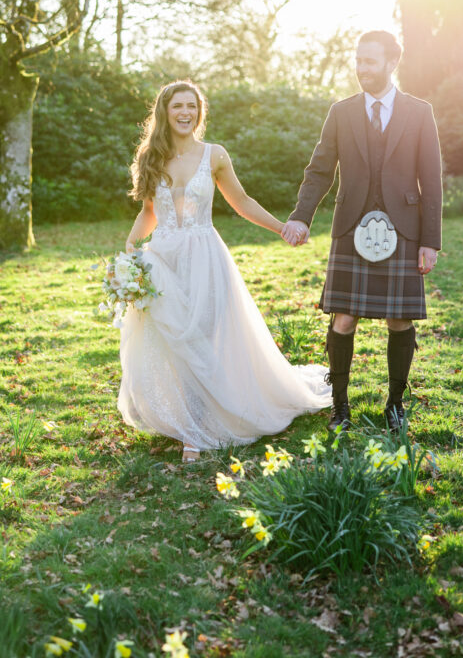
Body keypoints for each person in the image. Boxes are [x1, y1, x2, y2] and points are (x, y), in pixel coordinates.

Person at [118, 79, 331, 462]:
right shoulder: (151, 156)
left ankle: (195, 432)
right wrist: (130, 249)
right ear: (165, 112)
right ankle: (187, 422)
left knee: (201, 336)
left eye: (192, 106)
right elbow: (149, 211)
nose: (186, 113)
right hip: (163, 260)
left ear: (199, 112)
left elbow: (242, 201)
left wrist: (281, 227)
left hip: (204, 257)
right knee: (174, 340)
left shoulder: (214, 155)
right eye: (178, 106)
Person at [282, 30, 442, 433]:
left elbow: (431, 181)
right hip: (351, 226)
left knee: (400, 320)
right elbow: (319, 171)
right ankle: (340, 406)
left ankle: (395, 405)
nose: (361, 68)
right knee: (343, 319)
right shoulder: (341, 112)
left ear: (392, 62)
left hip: (403, 230)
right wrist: (301, 216)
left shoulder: (419, 112)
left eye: (369, 61)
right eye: (358, 60)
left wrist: (430, 241)